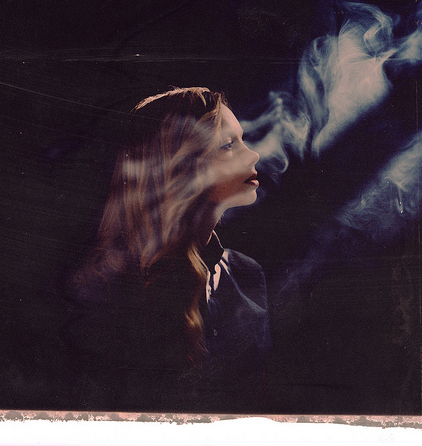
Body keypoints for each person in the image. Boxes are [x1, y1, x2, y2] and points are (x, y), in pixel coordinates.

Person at [62, 87, 271, 413]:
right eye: (228, 145)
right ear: (181, 166)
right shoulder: (111, 283)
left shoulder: (247, 274)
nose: (254, 155)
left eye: (242, 140)